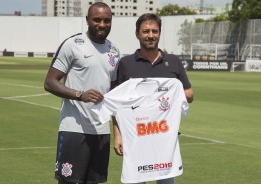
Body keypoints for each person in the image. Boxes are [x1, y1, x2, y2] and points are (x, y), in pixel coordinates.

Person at [113, 13, 194, 184]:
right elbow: (117, 104)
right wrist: (118, 136)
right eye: (146, 31)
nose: (150, 35)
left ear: (159, 33)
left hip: (165, 138)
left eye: (154, 31)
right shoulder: (126, 63)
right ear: (137, 34)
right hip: (135, 138)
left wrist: (166, 92)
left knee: (166, 181)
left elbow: (189, 95)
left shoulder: (173, 62)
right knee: (136, 180)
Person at [44, 2, 120, 184]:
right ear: (87, 20)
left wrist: (118, 133)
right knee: (69, 182)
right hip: (74, 129)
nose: (102, 24)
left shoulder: (114, 51)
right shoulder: (73, 44)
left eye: (106, 20)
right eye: (97, 20)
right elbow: (49, 82)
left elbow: (115, 96)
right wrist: (80, 94)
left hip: (101, 131)